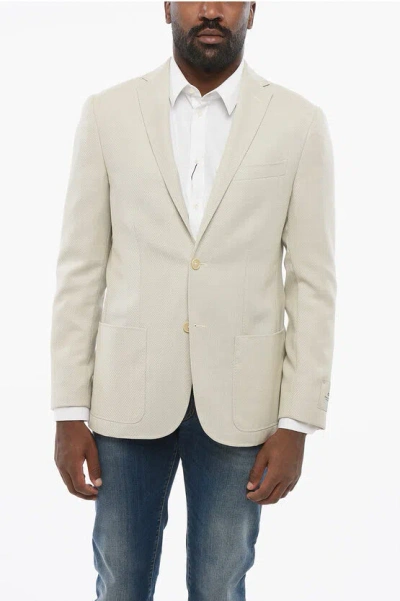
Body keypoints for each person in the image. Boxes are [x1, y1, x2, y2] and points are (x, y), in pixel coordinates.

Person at [51, 2, 336, 599]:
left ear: (252, 11)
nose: (210, 11)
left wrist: (296, 422)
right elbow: (80, 269)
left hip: (242, 402)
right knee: (120, 582)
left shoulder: (299, 122)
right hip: (126, 398)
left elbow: (312, 284)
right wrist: (68, 409)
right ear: (166, 7)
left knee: (219, 585)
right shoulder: (108, 114)